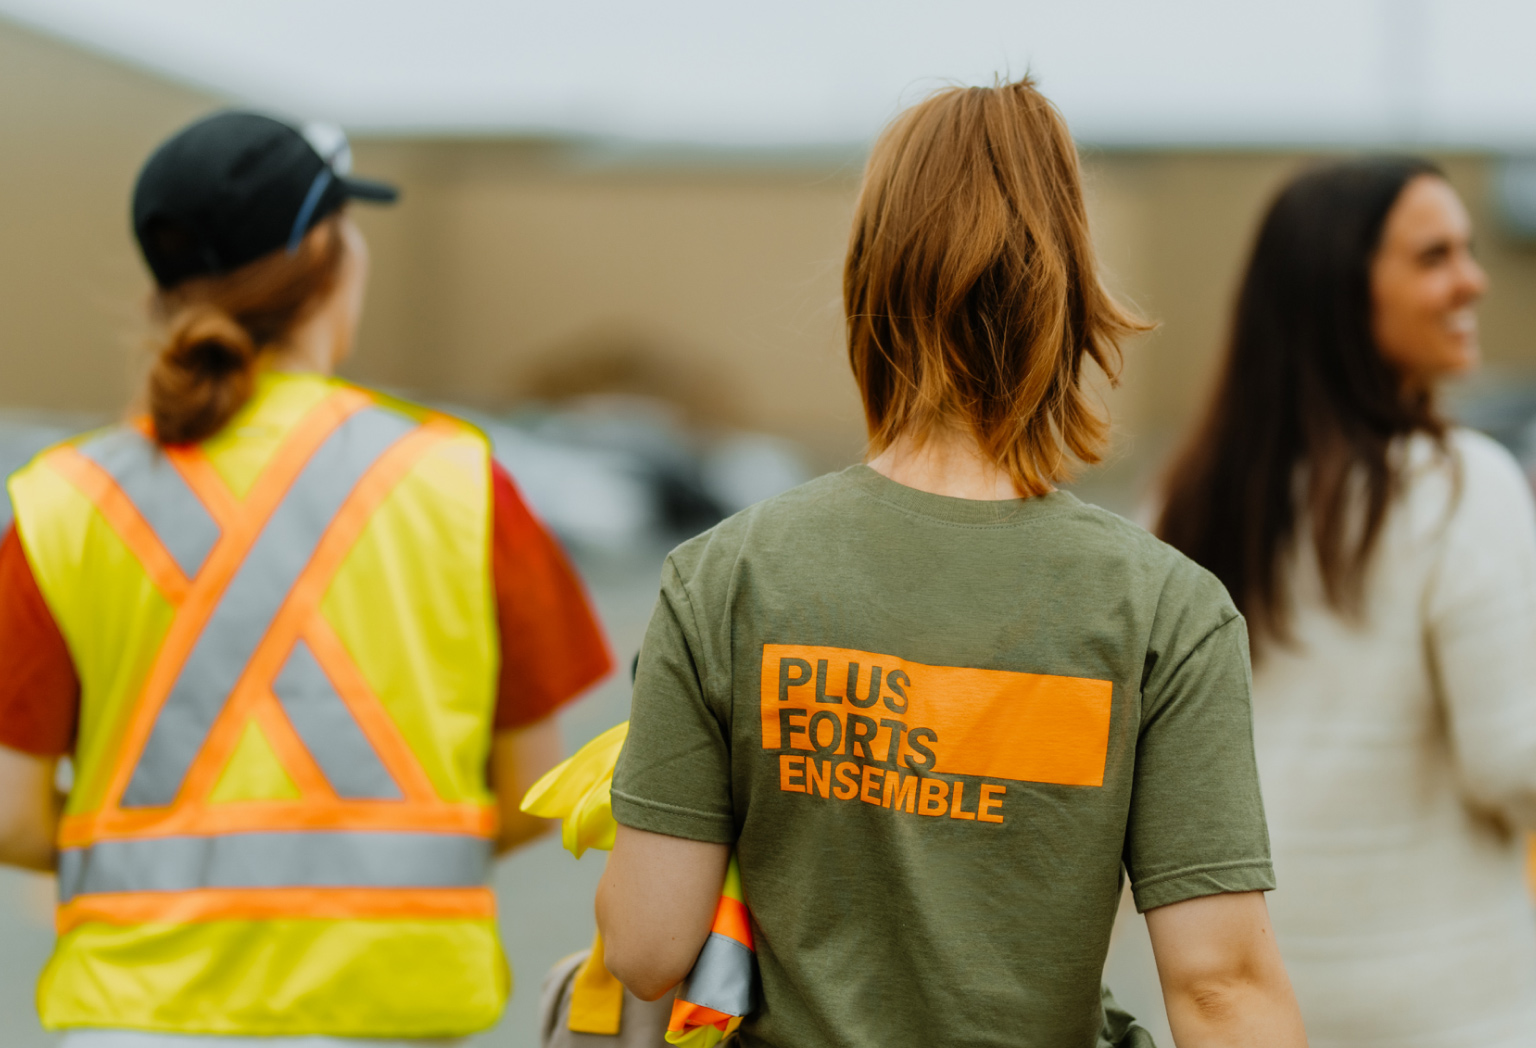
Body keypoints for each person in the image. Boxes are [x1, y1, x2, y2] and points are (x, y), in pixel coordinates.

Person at [593, 79, 1307, 1048]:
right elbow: (1222, 983)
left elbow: (646, 945)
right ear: (1067, 289)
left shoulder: (721, 577)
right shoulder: (1165, 608)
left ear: (869, 279)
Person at [0, 110, 612, 1046]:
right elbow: (536, 789)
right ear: (329, 249)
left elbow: (12, 818)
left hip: (136, 1016)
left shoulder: (64, 499)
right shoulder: (457, 479)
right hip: (392, 1013)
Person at [1156, 158, 1536, 1044]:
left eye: (1469, 251)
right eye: (1434, 257)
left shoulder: (1182, 499)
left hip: (1245, 1004)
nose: (1472, 280)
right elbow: (1515, 758)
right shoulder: (1459, 485)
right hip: (1451, 1010)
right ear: (1339, 289)